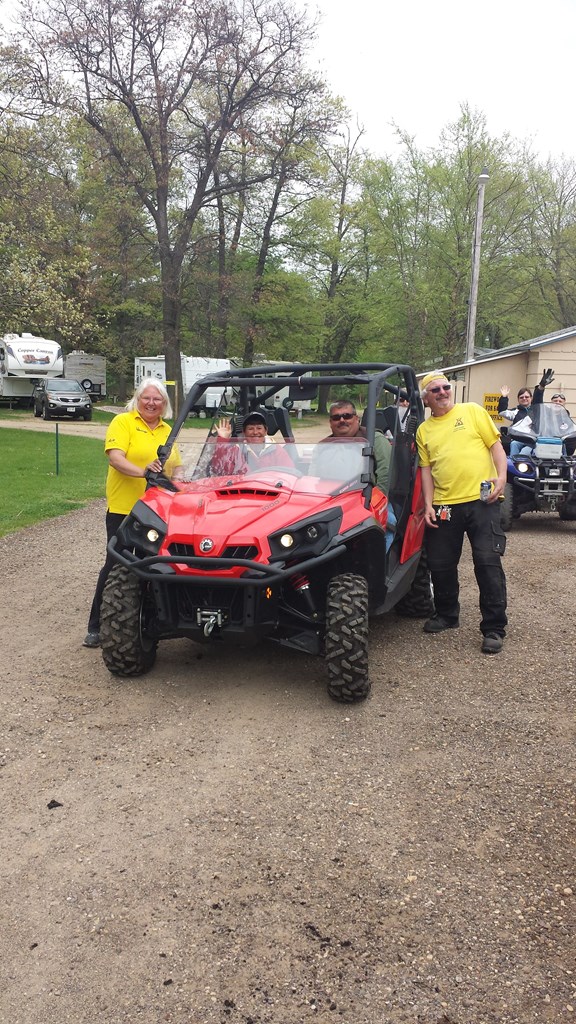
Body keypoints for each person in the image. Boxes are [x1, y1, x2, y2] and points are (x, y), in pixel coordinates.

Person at [83, 380, 181, 649]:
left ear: (165, 405)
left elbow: (176, 467)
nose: (151, 403)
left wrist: (185, 482)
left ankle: (146, 620)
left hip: (158, 510)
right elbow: (116, 458)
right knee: (116, 564)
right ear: (137, 399)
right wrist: (145, 473)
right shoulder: (123, 423)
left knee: (154, 563)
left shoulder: (167, 430)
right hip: (125, 507)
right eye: (146, 398)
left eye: (157, 400)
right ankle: (96, 626)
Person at [416, 372, 508, 655]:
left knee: (487, 562)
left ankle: (493, 628)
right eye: (435, 389)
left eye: (446, 387)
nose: (443, 392)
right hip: (445, 506)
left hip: (482, 501)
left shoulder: (472, 411)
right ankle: (446, 614)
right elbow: (426, 471)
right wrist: (428, 504)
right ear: (426, 398)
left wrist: (502, 477)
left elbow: (496, 447)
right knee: (441, 564)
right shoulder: (424, 430)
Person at [312, 400, 395, 546]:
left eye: (347, 416)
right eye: (336, 417)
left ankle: (380, 566)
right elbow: (312, 479)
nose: (342, 420)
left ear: (357, 419)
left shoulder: (375, 439)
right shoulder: (323, 446)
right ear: (330, 422)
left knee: (388, 525)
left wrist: (374, 504)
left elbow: (386, 474)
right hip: (333, 501)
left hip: (369, 498)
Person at [211, 411, 293, 474]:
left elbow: (289, 474)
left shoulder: (277, 450)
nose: (255, 432)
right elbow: (219, 468)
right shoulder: (236, 450)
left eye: (259, 428)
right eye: (250, 428)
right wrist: (223, 439)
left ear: (266, 431)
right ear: (244, 432)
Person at [498, 369, 553, 456]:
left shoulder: (536, 409)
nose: (524, 398)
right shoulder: (515, 412)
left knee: (524, 452)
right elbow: (502, 412)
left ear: (531, 398)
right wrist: (504, 397)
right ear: (518, 399)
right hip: (519, 440)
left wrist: (541, 386)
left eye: (527, 397)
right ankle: (513, 467)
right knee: (514, 444)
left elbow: (538, 399)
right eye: (521, 397)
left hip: (533, 442)